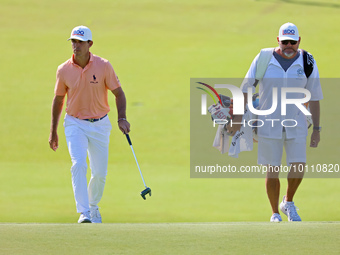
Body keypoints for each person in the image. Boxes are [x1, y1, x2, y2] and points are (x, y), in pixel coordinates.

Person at [227, 22, 323, 222]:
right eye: (285, 41)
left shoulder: (307, 60)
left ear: (299, 42)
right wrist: (237, 119)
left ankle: (288, 202)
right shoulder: (263, 58)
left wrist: (317, 129)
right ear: (278, 40)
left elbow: (315, 96)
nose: (289, 46)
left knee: (298, 165)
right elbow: (246, 88)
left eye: (293, 42)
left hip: (297, 121)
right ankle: (274, 213)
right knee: (272, 168)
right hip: (268, 121)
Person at [49, 25, 130, 223]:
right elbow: (58, 100)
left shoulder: (103, 66)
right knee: (78, 164)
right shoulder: (64, 69)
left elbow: (118, 93)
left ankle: (93, 207)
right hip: (75, 123)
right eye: (73, 42)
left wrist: (122, 117)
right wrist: (53, 131)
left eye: (80, 42)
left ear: (90, 44)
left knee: (100, 173)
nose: (75, 45)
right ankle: (83, 212)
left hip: (100, 124)